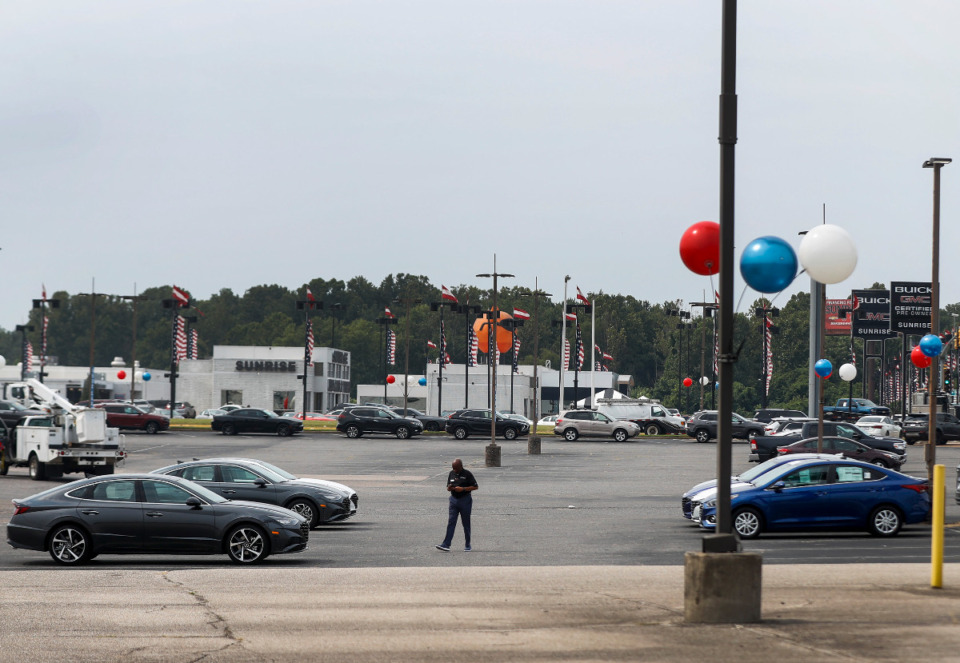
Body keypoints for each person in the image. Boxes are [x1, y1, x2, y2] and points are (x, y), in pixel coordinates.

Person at [436, 458, 478, 552]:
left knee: (466, 523)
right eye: (453, 468)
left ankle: (467, 544)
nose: (455, 470)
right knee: (451, 522)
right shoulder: (451, 473)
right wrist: (450, 488)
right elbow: (448, 487)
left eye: (456, 468)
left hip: (465, 500)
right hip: (453, 500)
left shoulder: (467, 474)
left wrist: (463, 489)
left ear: (461, 466)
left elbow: (475, 486)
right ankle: (446, 544)